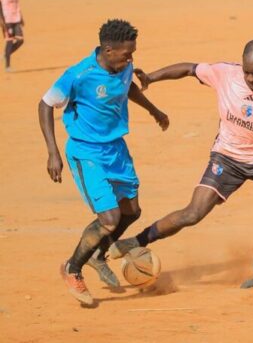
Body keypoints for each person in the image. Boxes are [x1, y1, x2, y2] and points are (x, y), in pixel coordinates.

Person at [108, 40, 253, 294]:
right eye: (247, 72)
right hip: (226, 157)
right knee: (193, 213)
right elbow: (189, 69)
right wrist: (151, 78)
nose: (251, 78)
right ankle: (136, 241)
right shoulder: (226, 73)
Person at [38, 19, 170, 305]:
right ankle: (73, 268)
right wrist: (52, 152)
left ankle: (98, 254)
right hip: (86, 152)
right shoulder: (79, 75)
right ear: (108, 50)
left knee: (131, 211)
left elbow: (128, 88)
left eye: (132, 53)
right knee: (109, 218)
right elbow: (45, 104)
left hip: (116, 149)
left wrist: (154, 110)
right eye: (126, 54)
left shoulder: (122, 67)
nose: (130, 59)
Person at [0, 0, 24, 72]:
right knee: (9, 41)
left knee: (20, 40)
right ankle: (7, 66)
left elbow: (17, 2)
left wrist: (21, 16)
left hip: (16, 17)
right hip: (7, 18)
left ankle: (6, 54)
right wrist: (1, 19)